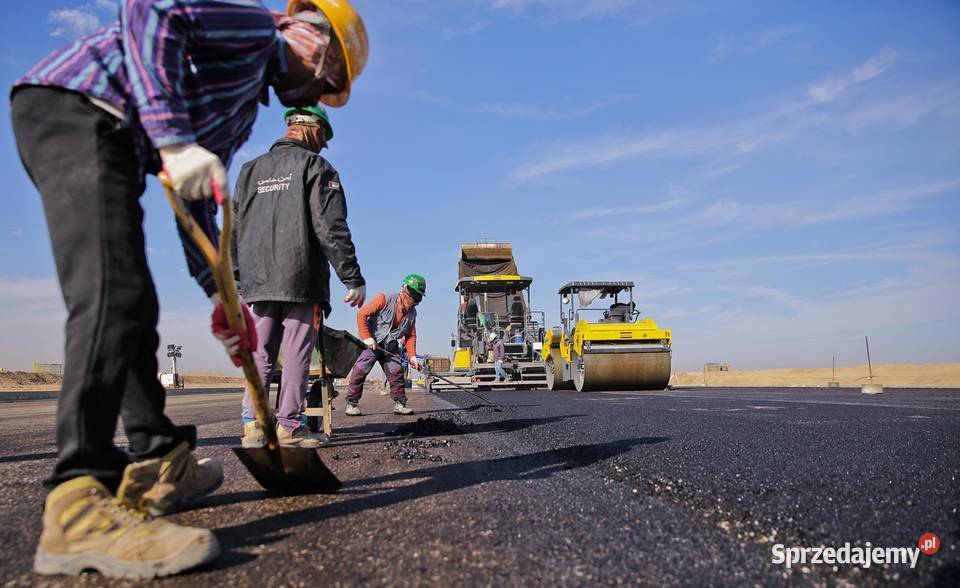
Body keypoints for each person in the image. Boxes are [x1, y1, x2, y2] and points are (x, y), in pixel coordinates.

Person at [10, 0, 368, 579]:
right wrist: (174, 141)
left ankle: (159, 459)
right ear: (315, 43)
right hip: (77, 107)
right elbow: (151, 9)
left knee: (134, 306)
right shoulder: (255, 29)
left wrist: (219, 293)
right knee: (111, 297)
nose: (319, 94)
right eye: (327, 82)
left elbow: (196, 196)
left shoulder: (241, 109)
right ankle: (78, 504)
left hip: (115, 136)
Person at [233, 105, 365, 449]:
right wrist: (352, 277)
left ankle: (253, 426)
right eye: (323, 138)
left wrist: (237, 278)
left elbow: (234, 229)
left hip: (257, 282)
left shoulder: (249, 170)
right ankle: (289, 428)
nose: (322, 146)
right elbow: (331, 227)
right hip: (301, 279)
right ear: (312, 129)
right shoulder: (316, 167)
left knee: (260, 352)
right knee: (296, 354)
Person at [346, 275, 426, 416]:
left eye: (418, 297)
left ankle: (400, 404)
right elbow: (362, 314)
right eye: (413, 295)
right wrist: (367, 337)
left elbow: (410, 336)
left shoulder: (412, 314)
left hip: (390, 346)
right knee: (360, 371)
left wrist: (412, 356)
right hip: (373, 343)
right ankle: (352, 404)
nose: (414, 300)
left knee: (397, 373)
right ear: (404, 289)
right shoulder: (384, 299)